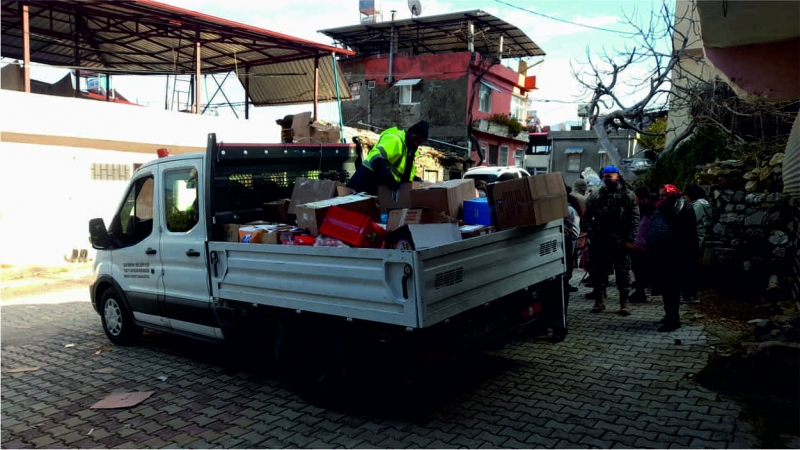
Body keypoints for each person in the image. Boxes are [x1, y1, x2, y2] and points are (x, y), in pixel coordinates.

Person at [583, 165, 640, 316]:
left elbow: (635, 220)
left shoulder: (628, 195)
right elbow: (586, 217)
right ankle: (599, 302)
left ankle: (624, 304)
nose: (607, 178)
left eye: (611, 175)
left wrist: (630, 240)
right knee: (598, 273)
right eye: (605, 176)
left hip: (620, 242)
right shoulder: (595, 196)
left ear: (617, 176)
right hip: (600, 241)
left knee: (623, 274)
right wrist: (591, 232)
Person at [647, 184, 699, 332]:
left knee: (672, 288)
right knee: (666, 288)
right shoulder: (663, 208)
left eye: (664, 195)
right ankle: (669, 315)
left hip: (676, 256)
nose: (661, 198)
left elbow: (684, 233)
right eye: (660, 195)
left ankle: (673, 319)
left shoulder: (684, 208)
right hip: (663, 254)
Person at [346, 121, 429, 195]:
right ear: (409, 132)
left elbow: (406, 175)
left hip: (378, 184)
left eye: (419, 142)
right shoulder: (396, 140)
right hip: (366, 178)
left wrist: (419, 182)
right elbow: (376, 158)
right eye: (415, 139)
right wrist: (389, 178)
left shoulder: (409, 151)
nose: (416, 143)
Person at [682, 183, 712, 303]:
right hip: (697, 238)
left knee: (690, 267)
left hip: (695, 239)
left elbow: (691, 220)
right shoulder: (700, 204)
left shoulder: (698, 206)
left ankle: (690, 294)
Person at [630, 187, 655, 303]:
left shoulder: (645, 210)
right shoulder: (650, 209)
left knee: (639, 270)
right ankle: (640, 291)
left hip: (640, 244)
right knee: (639, 270)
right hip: (641, 244)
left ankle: (640, 292)